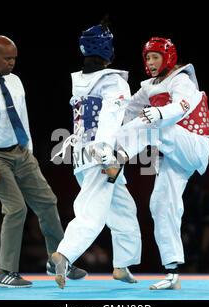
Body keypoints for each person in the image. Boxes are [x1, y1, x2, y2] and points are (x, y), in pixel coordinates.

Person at [0, 35, 87, 288]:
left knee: (48, 202)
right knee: (16, 208)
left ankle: (58, 261)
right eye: (7, 58)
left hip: (20, 152)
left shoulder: (15, 82)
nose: (12, 63)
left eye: (14, 58)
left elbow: (22, 117)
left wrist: (27, 151)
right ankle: (4, 272)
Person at [105, 37, 209, 290]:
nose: (150, 62)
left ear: (168, 57)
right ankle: (172, 273)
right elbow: (128, 111)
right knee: (161, 203)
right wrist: (109, 129)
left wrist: (158, 113)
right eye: (147, 57)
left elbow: (181, 106)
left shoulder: (182, 79)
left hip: (193, 143)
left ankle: (118, 160)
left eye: (155, 57)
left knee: (151, 121)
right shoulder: (148, 86)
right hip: (174, 152)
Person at [50, 20, 142, 289]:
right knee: (93, 213)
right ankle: (63, 255)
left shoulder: (81, 81)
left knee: (125, 211)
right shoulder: (112, 81)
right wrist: (107, 156)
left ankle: (121, 265)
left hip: (80, 155)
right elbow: (110, 118)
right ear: (107, 49)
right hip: (99, 155)